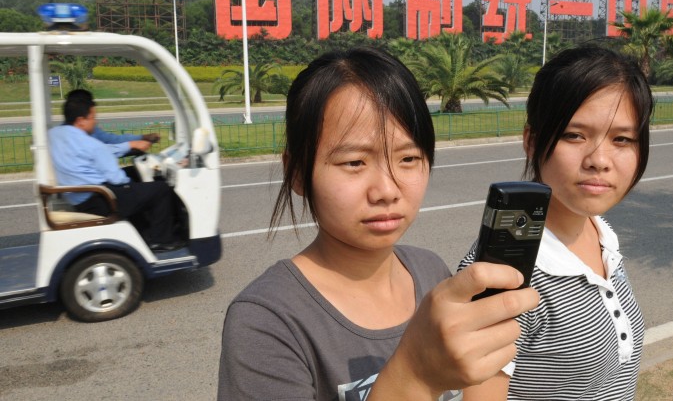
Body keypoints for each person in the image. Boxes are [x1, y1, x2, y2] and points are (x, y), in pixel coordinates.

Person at [218, 47, 539, 400]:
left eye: (408, 158)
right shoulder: (267, 321)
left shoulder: (431, 271)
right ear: (296, 172)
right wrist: (415, 374)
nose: (387, 190)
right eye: (354, 162)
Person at [461, 46, 654, 401]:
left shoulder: (600, 231)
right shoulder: (504, 274)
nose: (599, 160)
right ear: (532, 141)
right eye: (574, 135)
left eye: (622, 139)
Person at [48, 97, 186, 253]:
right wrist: (136, 185)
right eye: (93, 118)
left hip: (79, 196)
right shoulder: (91, 144)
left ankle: (145, 232)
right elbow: (118, 179)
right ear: (81, 120)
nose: (95, 122)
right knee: (160, 189)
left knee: (138, 184)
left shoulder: (54, 134)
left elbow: (107, 146)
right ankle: (161, 240)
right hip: (99, 199)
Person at [64, 89, 159, 157]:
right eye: (92, 117)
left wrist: (141, 138)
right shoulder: (72, 139)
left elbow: (112, 139)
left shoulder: (90, 130)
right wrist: (130, 145)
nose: (95, 121)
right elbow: (100, 151)